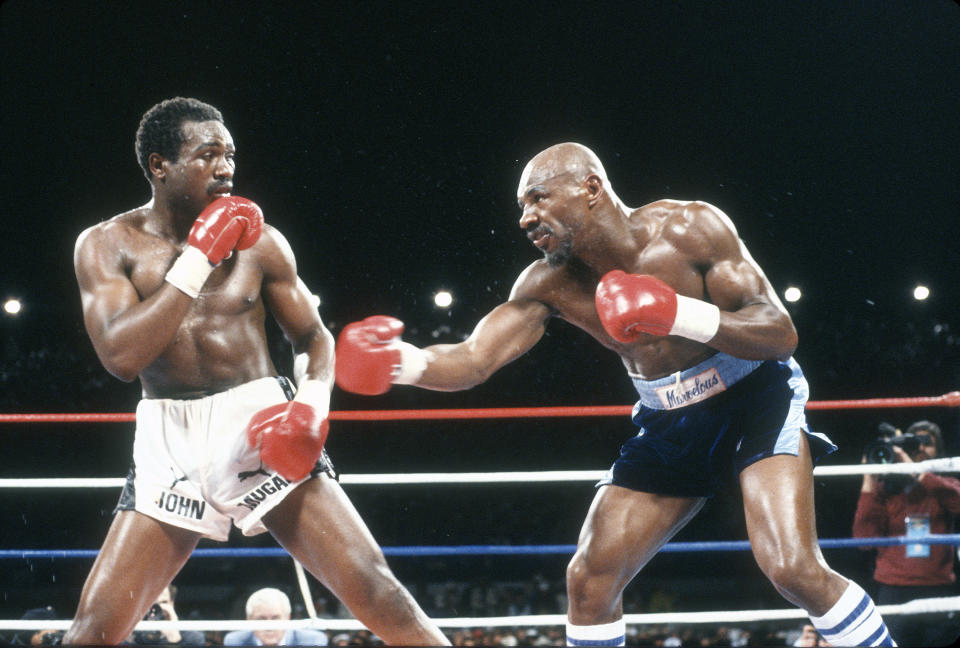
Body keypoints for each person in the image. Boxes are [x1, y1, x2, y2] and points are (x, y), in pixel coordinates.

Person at [335, 143, 895, 647]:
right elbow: (475, 359)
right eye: (521, 207)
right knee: (589, 579)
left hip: (753, 395)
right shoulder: (548, 281)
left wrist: (676, 313)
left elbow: (778, 333)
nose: (525, 217)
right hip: (668, 421)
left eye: (537, 198)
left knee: (792, 568)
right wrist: (400, 363)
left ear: (591, 188)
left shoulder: (691, 228)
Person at [64, 97, 448, 646]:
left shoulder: (262, 243)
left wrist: (310, 408)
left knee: (379, 593)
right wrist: (197, 259)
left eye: (230, 155)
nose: (226, 168)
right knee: (93, 632)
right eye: (207, 154)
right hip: (168, 440)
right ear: (158, 165)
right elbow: (121, 358)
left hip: (257, 424)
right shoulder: (105, 245)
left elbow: (314, 338)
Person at [853, 420, 960, 647]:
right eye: (914, 443)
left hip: (937, 587)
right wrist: (869, 476)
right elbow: (864, 539)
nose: (920, 448)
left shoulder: (946, 485)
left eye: (926, 443)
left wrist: (914, 470)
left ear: (938, 452)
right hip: (894, 589)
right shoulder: (886, 492)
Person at [223, 587, 328, 646]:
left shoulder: (313, 641)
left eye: (275, 618)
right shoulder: (234, 641)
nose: (269, 626)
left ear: (288, 618)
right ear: (248, 620)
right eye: (261, 619)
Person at [129, 585, 205, 645]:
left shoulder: (193, 638)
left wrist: (174, 638)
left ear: (172, 603)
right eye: (151, 604)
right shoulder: (130, 638)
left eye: (163, 602)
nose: (158, 608)